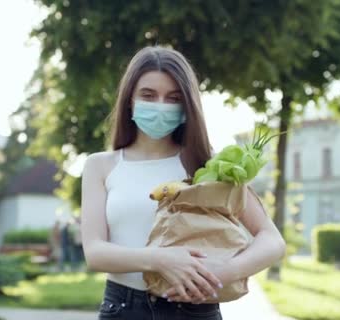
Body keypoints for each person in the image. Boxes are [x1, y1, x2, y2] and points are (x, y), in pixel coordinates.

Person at [81, 46, 286, 320]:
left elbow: (272, 240)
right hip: (123, 309)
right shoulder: (101, 165)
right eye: (149, 95)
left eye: (173, 98)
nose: (161, 106)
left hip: (194, 309)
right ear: (130, 99)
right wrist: (160, 259)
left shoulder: (210, 165)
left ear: (187, 105)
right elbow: (95, 252)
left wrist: (225, 273)